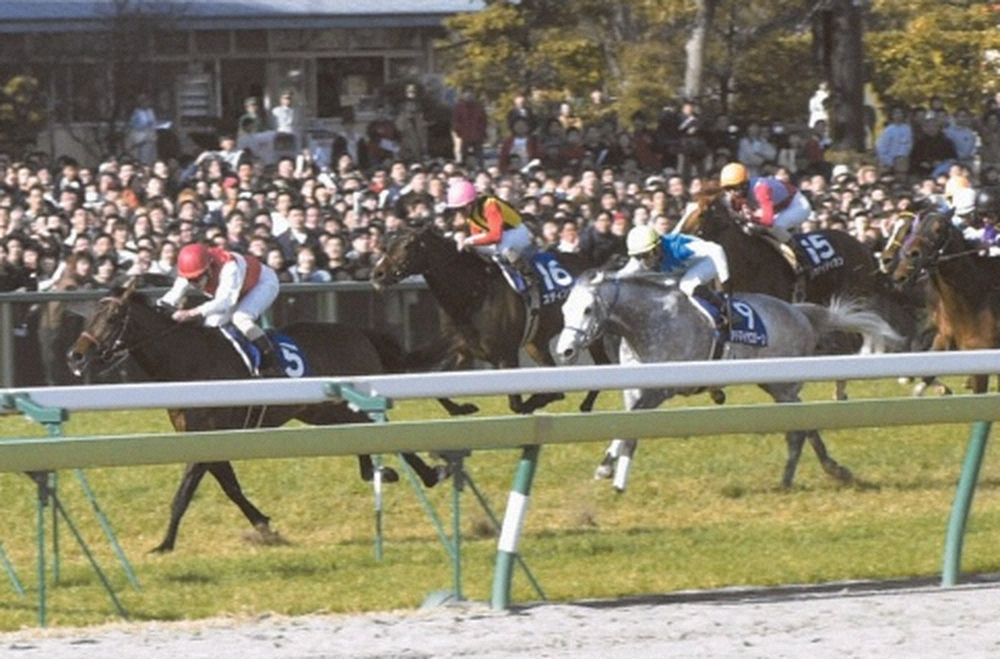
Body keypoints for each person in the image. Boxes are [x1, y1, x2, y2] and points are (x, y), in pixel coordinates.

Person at [157, 242, 283, 377]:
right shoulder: (190, 270)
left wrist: (191, 313)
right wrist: (160, 306)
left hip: (262, 283)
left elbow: (226, 301)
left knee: (241, 318)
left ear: (209, 268)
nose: (194, 284)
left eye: (197, 278)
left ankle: (270, 364)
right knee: (211, 324)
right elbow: (172, 295)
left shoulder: (229, 267)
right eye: (189, 280)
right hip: (236, 290)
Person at [620, 224, 730, 335]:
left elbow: (717, 250)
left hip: (708, 261)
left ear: (658, 247)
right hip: (682, 269)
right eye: (638, 256)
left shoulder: (678, 248)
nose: (643, 261)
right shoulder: (638, 262)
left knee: (686, 286)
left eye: (647, 255)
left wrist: (725, 280)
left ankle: (720, 317)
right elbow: (621, 276)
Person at [719, 161, 812, 274]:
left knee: (775, 227)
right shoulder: (733, 196)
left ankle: (799, 255)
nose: (732, 193)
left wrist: (750, 217)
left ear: (744, 184)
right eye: (728, 189)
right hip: (777, 207)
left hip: (796, 204)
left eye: (734, 188)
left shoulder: (761, 189)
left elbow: (768, 221)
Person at [448, 178, 537, 291]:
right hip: (503, 236)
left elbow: (496, 236)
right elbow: (477, 235)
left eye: (461, 209)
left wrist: (469, 241)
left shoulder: (490, 205)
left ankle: (527, 275)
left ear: (471, 203)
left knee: (502, 247)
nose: (459, 213)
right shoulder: (471, 213)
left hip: (517, 232)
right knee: (472, 249)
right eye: (456, 210)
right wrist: (462, 238)